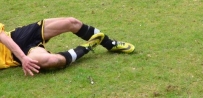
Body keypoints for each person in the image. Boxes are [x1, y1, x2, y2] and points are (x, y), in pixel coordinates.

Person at [0, 17, 135, 76]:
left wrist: (23, 58)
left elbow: (3, 37)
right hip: (15, 58)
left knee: (71, 22)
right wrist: (23, 58)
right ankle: (88, 46)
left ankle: (110, 44)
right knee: (52, 61)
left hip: (18, 37)